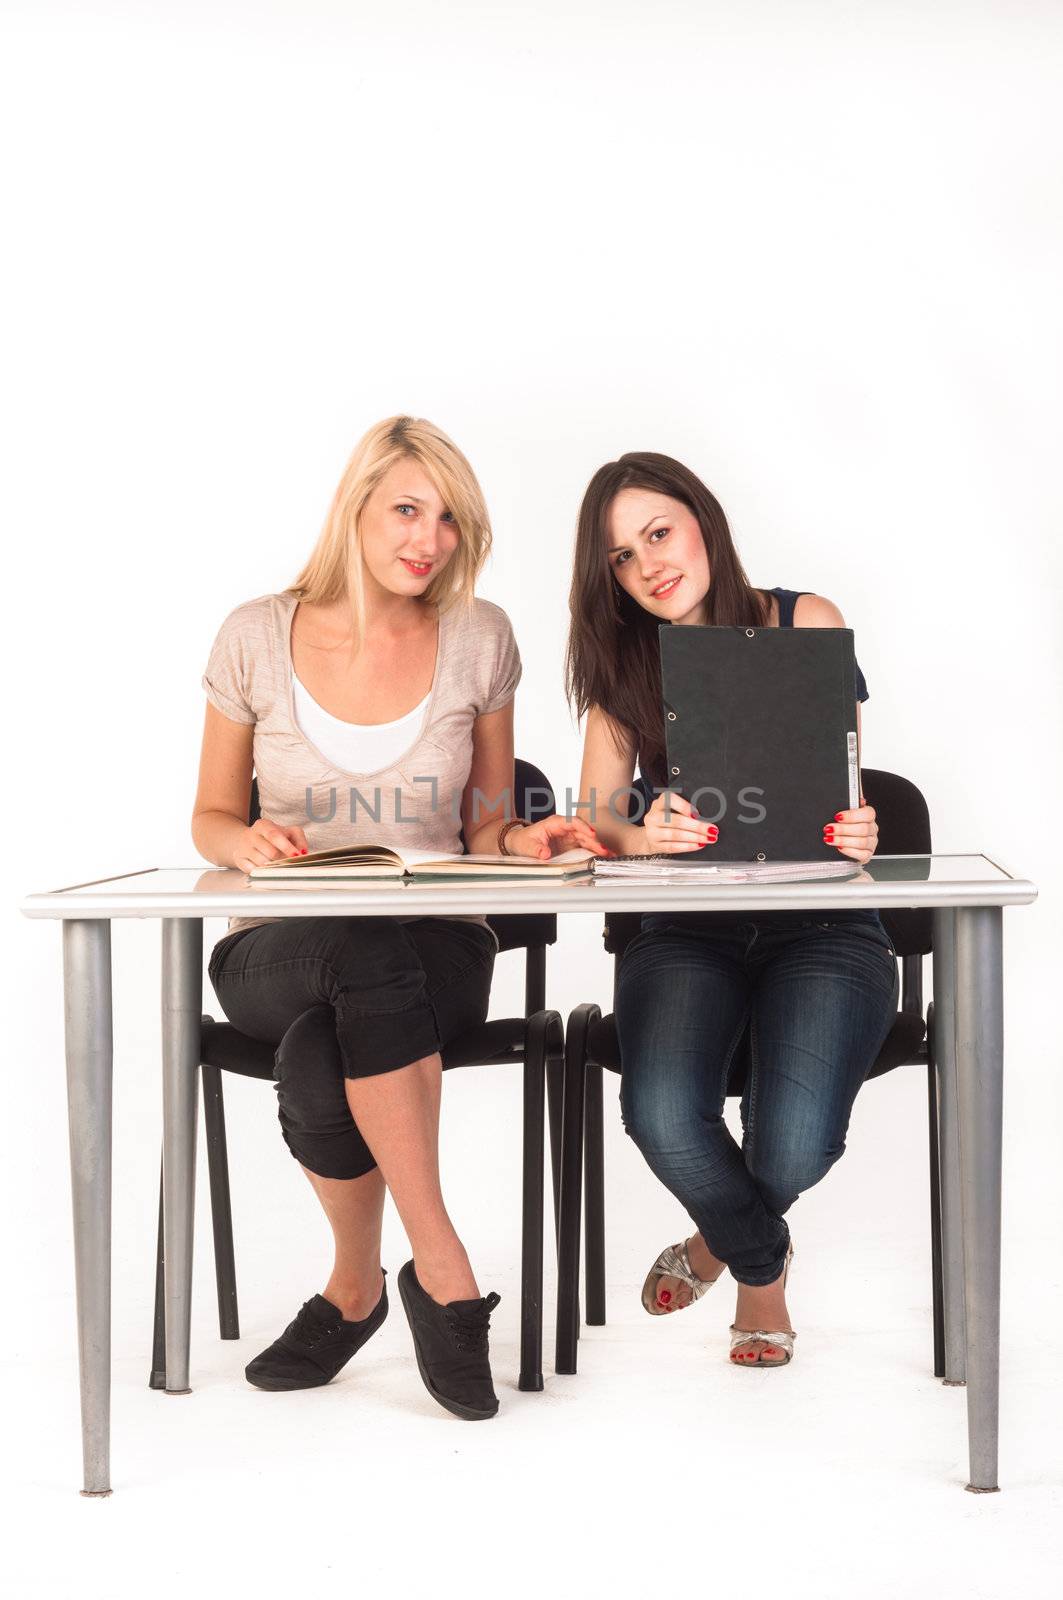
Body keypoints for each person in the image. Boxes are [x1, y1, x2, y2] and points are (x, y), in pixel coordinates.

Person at [194, 415, 602, 1419]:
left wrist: (532, 841)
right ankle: (444, 1268)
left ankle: (356, 1289)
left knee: (319, 1050)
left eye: (452, 520)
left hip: (440, 944)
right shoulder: (256, 632)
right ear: (357, 509)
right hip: (275, 947)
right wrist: (239, 840)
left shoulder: (479, 635)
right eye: (409, 510)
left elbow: (491, 823)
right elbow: (208, 815)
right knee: (352, 955)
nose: (431, 539)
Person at [565, 451, 897, 1368]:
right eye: (622, 559)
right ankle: (763, 1267)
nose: (648, 566)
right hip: (685, 930)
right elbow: (594, 819)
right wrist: (642, 830)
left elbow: (840, 779)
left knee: (794, 1143)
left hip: (826, 924)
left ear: (702, 519)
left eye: (658, 534)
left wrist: (857, 826)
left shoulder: (805, 620)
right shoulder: (622, 671)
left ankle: (722, 1245)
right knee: (663, 1113)